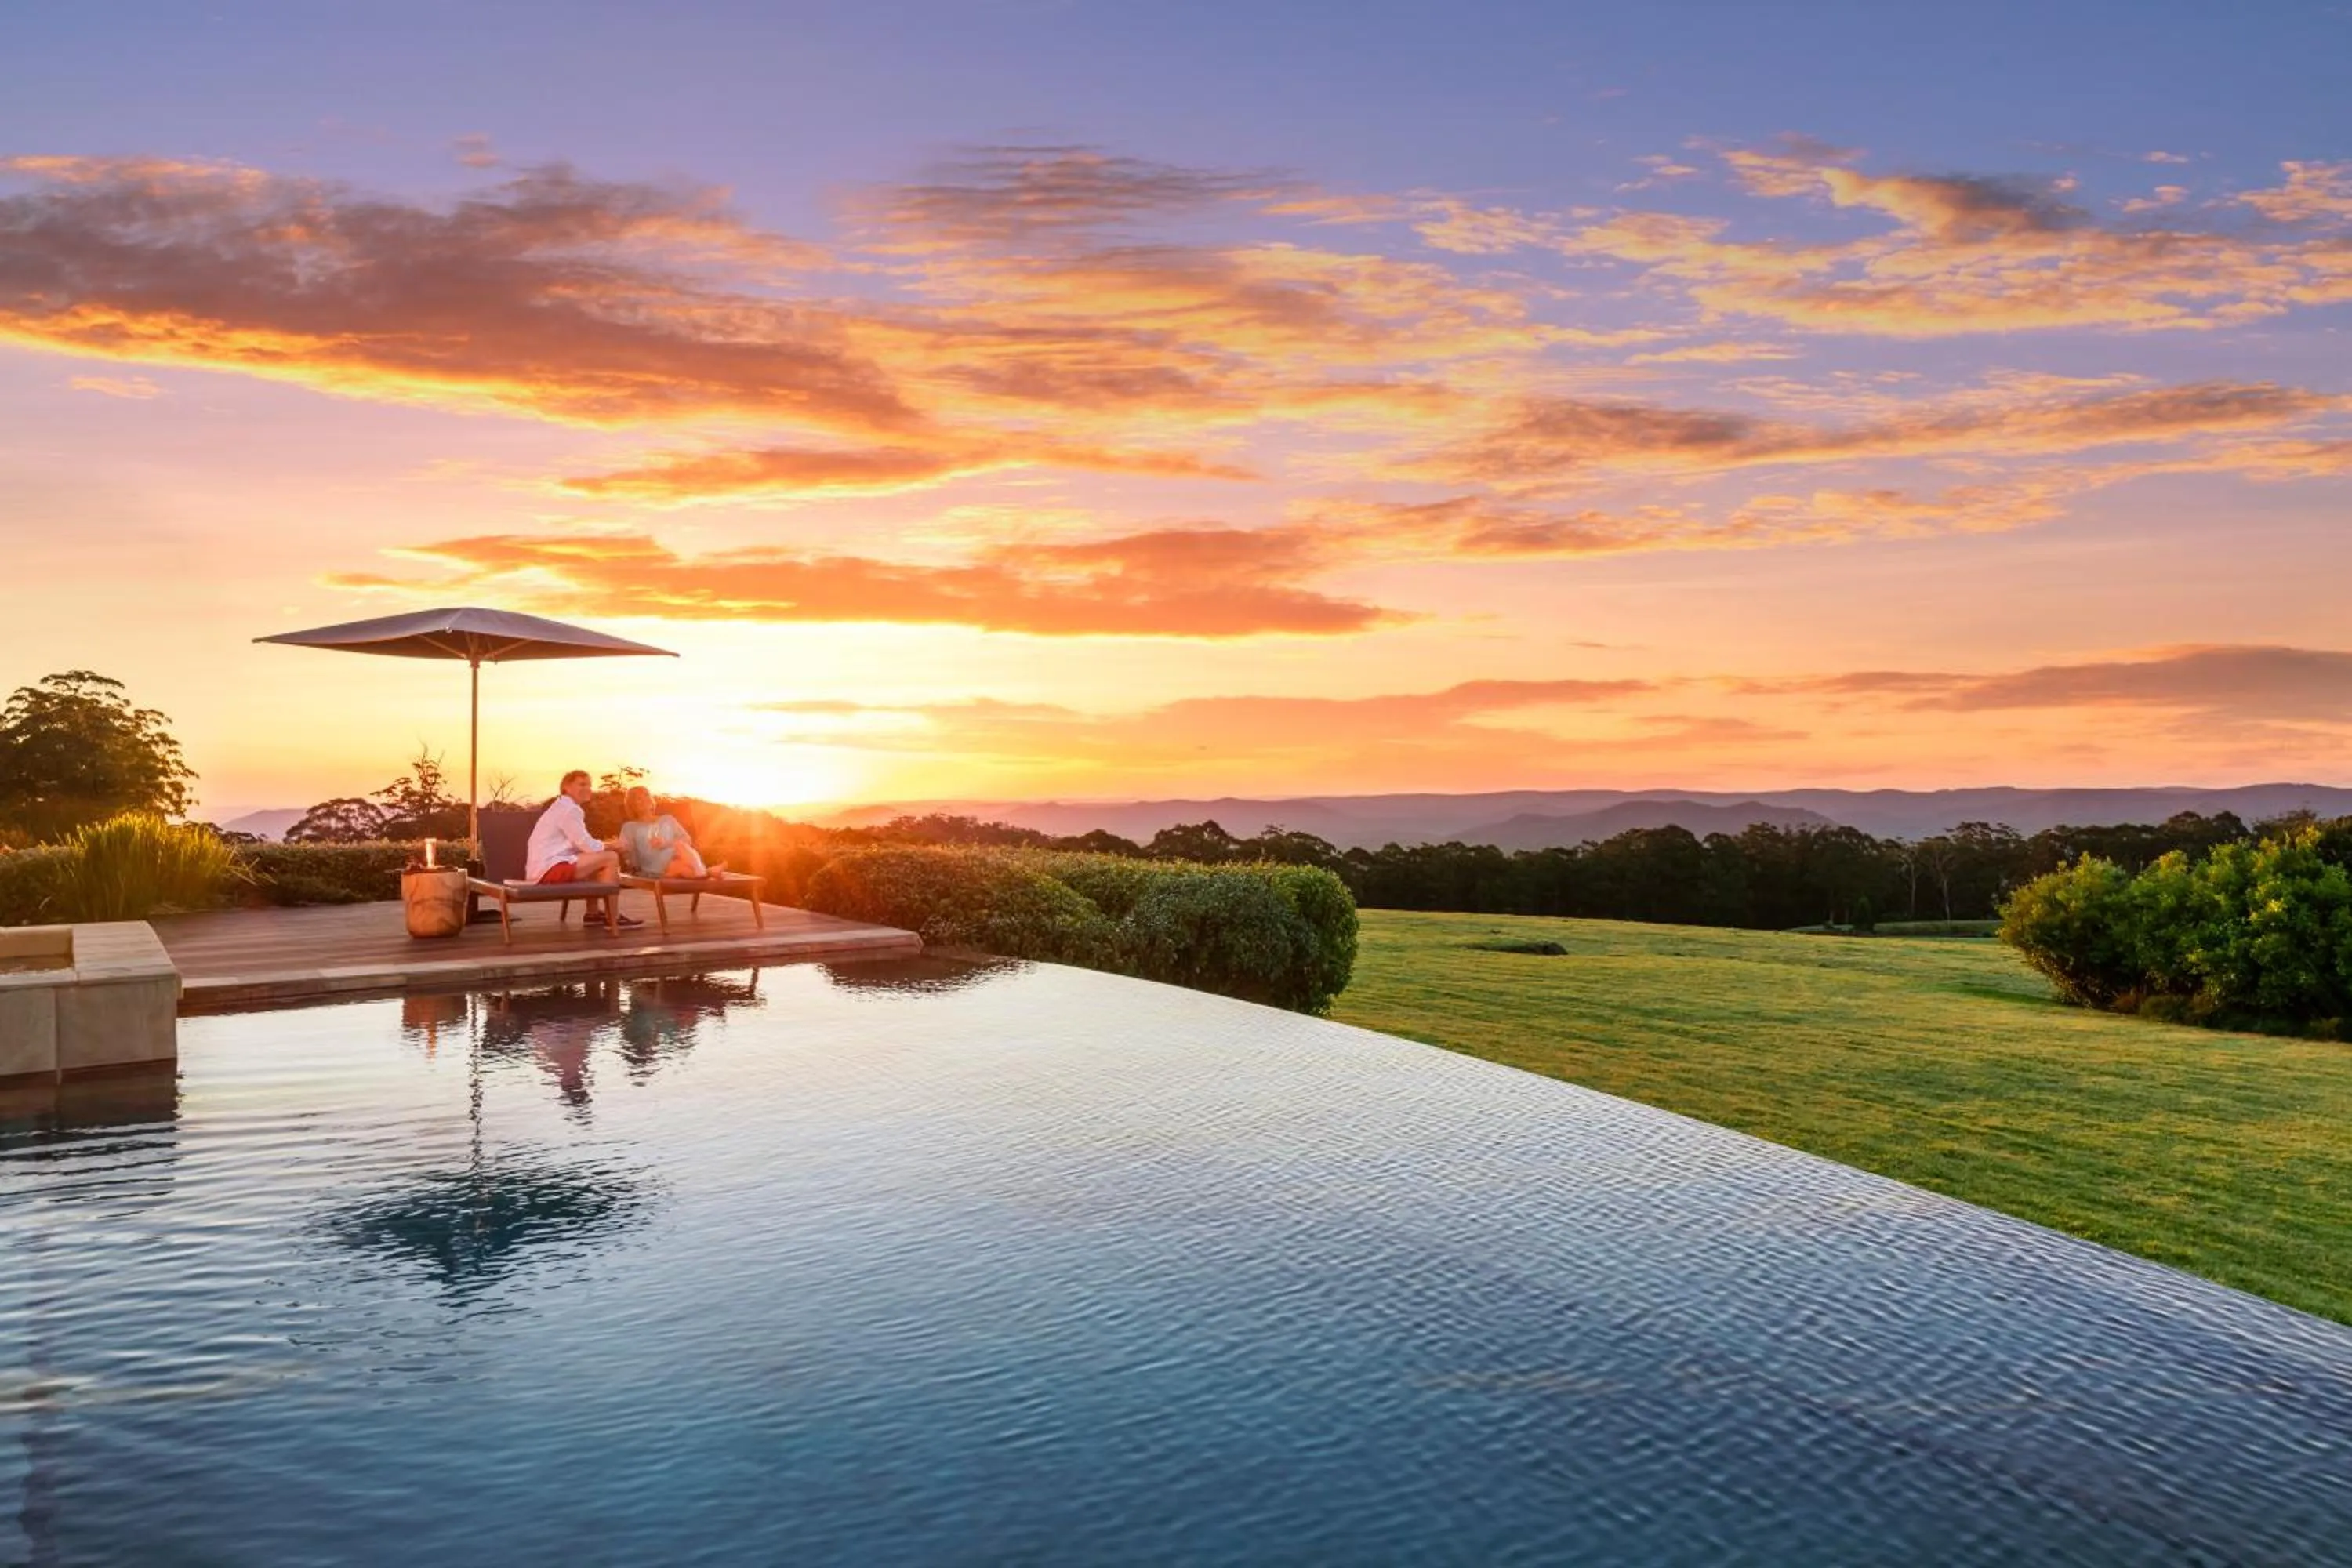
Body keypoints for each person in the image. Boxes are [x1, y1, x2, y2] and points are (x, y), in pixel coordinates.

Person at [525, 769, 640, 928]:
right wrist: (613, 845)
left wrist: (604, 845)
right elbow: (587, 845)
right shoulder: (570, 810)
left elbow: (584, 845)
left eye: (589, 785)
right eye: (582, 784)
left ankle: (592, 913)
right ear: (566, 787)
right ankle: (612, 917)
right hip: (549, 870)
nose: (587, 789)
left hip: (544, 867)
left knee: (596, 856)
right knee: (610, 857)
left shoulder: (561, 806)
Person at [618, 786, 726, 880]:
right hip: (651, 866)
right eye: (638, 798)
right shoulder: (629, 827)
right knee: (681, 848)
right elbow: (626, 851)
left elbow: (687, 839)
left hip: (672, 861)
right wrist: (629, 861)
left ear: (651, 800)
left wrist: (665, 843)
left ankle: (704, 872)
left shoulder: (668, 819)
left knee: (685, 869)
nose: (643, 799)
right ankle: (708, 871)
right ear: (632, 806)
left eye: (646, 795)